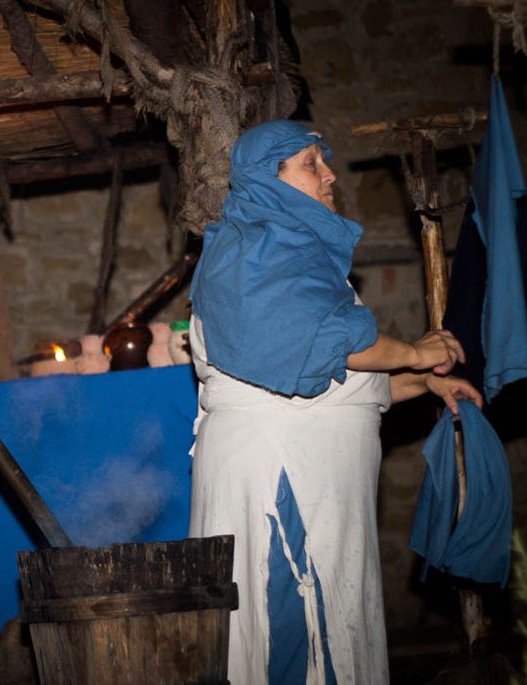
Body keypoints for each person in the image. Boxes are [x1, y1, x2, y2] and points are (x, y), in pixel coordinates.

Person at [188, 120, 482, 684]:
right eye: (310, 164)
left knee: (330, 632)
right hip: (283, 480)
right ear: (267, 179)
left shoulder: (293, 255)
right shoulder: (255, 254)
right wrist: (414, 353)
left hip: (314, 475)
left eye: (324, 161)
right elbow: (335, 347)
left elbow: (335, 384)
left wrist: (423, 382)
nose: (330, 176)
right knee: (294, 634)